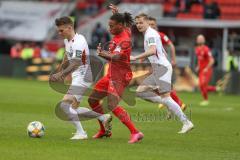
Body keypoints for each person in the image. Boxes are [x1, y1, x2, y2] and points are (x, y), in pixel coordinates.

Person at [88, 5, 144, 144]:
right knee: (92, 100)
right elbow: (126, 24)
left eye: (112, 26)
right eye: (109, 25)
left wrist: (103, 54)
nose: (109, 28)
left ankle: (136, 132)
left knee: (112, 104)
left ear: (119, 25)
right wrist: (117, 13)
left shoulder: (124, 40)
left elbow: (117, 57)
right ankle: (104, 130)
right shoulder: (122, 31)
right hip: (111, 74)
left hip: (120, 76)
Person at [131, 13, 194, 134]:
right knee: (140, 92)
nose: (138, 25)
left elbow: (152, 50)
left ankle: (186, 122)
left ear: (147, 22)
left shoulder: (150, 34)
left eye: (141, 23)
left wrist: (135, 57)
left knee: (166, 97)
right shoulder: (150, 34)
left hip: (162, 68)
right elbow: (159, 51)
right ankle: (167, 104)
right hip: (159, 68)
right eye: (137, 23)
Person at [51, 16, 112, 140]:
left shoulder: (79, 41)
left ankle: (81, 133)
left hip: (83, 77)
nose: (59, 33)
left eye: (61, 30)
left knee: (64, 106)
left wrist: (61, 75)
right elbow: (67, 57)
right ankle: (102, 117)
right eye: (58, 30)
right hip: (77, 76)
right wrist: (60, 71)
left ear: (69, 28)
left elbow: (76, 62)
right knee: (74, 108)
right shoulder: (67, 41)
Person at [148, 16, 187, 112]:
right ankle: (168, 102)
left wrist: (174, 59)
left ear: (156, 25)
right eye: (149, 25)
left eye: (153, 24)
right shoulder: (149, 36)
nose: (151, 26)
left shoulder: (160, 35)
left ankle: (178, 103)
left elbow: (171, 46)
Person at [195, 34, 219, 106]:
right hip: (201, 70)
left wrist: (206, 68)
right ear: (197, 40)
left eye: (201, 39)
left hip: (207, 70)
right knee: (201, 86)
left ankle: (206, 100)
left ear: (204, 40)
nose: (200, 40)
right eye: (199, 39)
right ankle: (215, 89)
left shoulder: (206, 49)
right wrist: (198, 66)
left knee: (203, 85)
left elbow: (212, 60)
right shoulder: (197, 49)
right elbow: (200, 60)